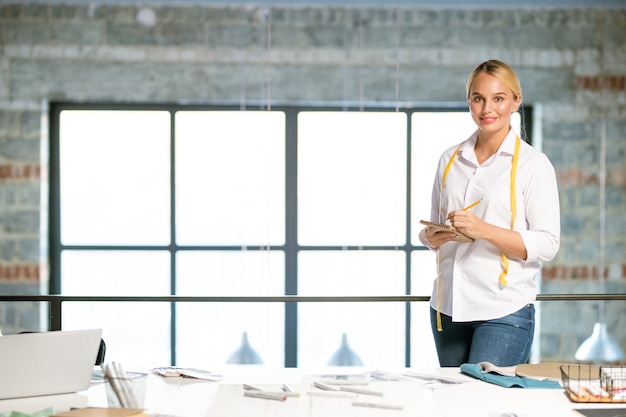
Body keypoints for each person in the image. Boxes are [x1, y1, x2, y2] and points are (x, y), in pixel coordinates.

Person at [419, 59, 560, 367]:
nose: (487, 109)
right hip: (447, 308)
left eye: (498, 98)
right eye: (478, 98)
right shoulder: (449, 159)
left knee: (485, 405)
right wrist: (433, 236)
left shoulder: (533, 165)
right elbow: (431, 231)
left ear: (515, 101)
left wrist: (482, 230)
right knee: (454, 405)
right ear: (469, 101)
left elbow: (548, 243)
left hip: (503, 311)